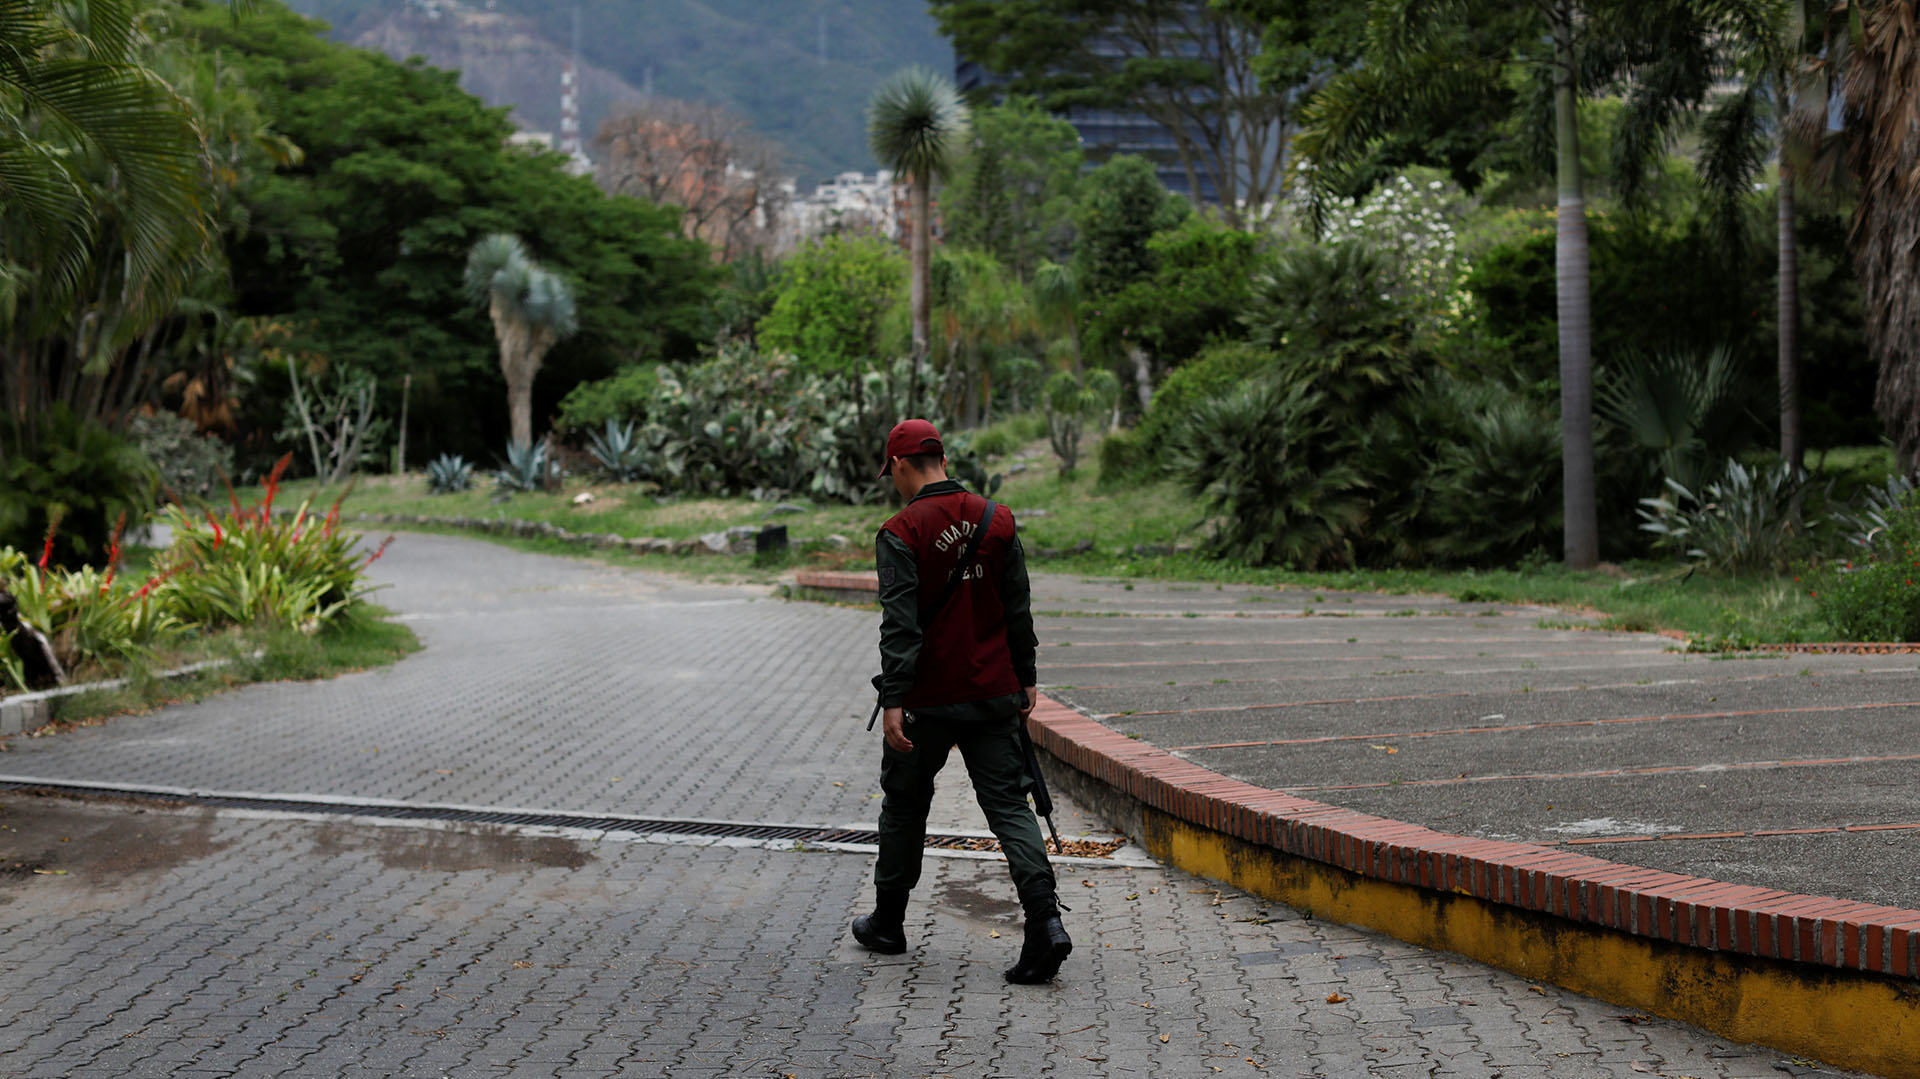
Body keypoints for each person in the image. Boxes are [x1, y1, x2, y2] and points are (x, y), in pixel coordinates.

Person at [849, 418, 1072, 984]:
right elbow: (1017, 607)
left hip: (925, 701)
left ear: (900, 465)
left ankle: (889, 924)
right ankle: (1046, 923)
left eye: (891, 472)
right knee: (1008, 807)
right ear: (941, 458)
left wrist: (895, 698)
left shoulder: (901, 530)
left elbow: (899, 626)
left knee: (904, 804)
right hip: (993, 691)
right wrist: (1026, 677)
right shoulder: (998, 519)